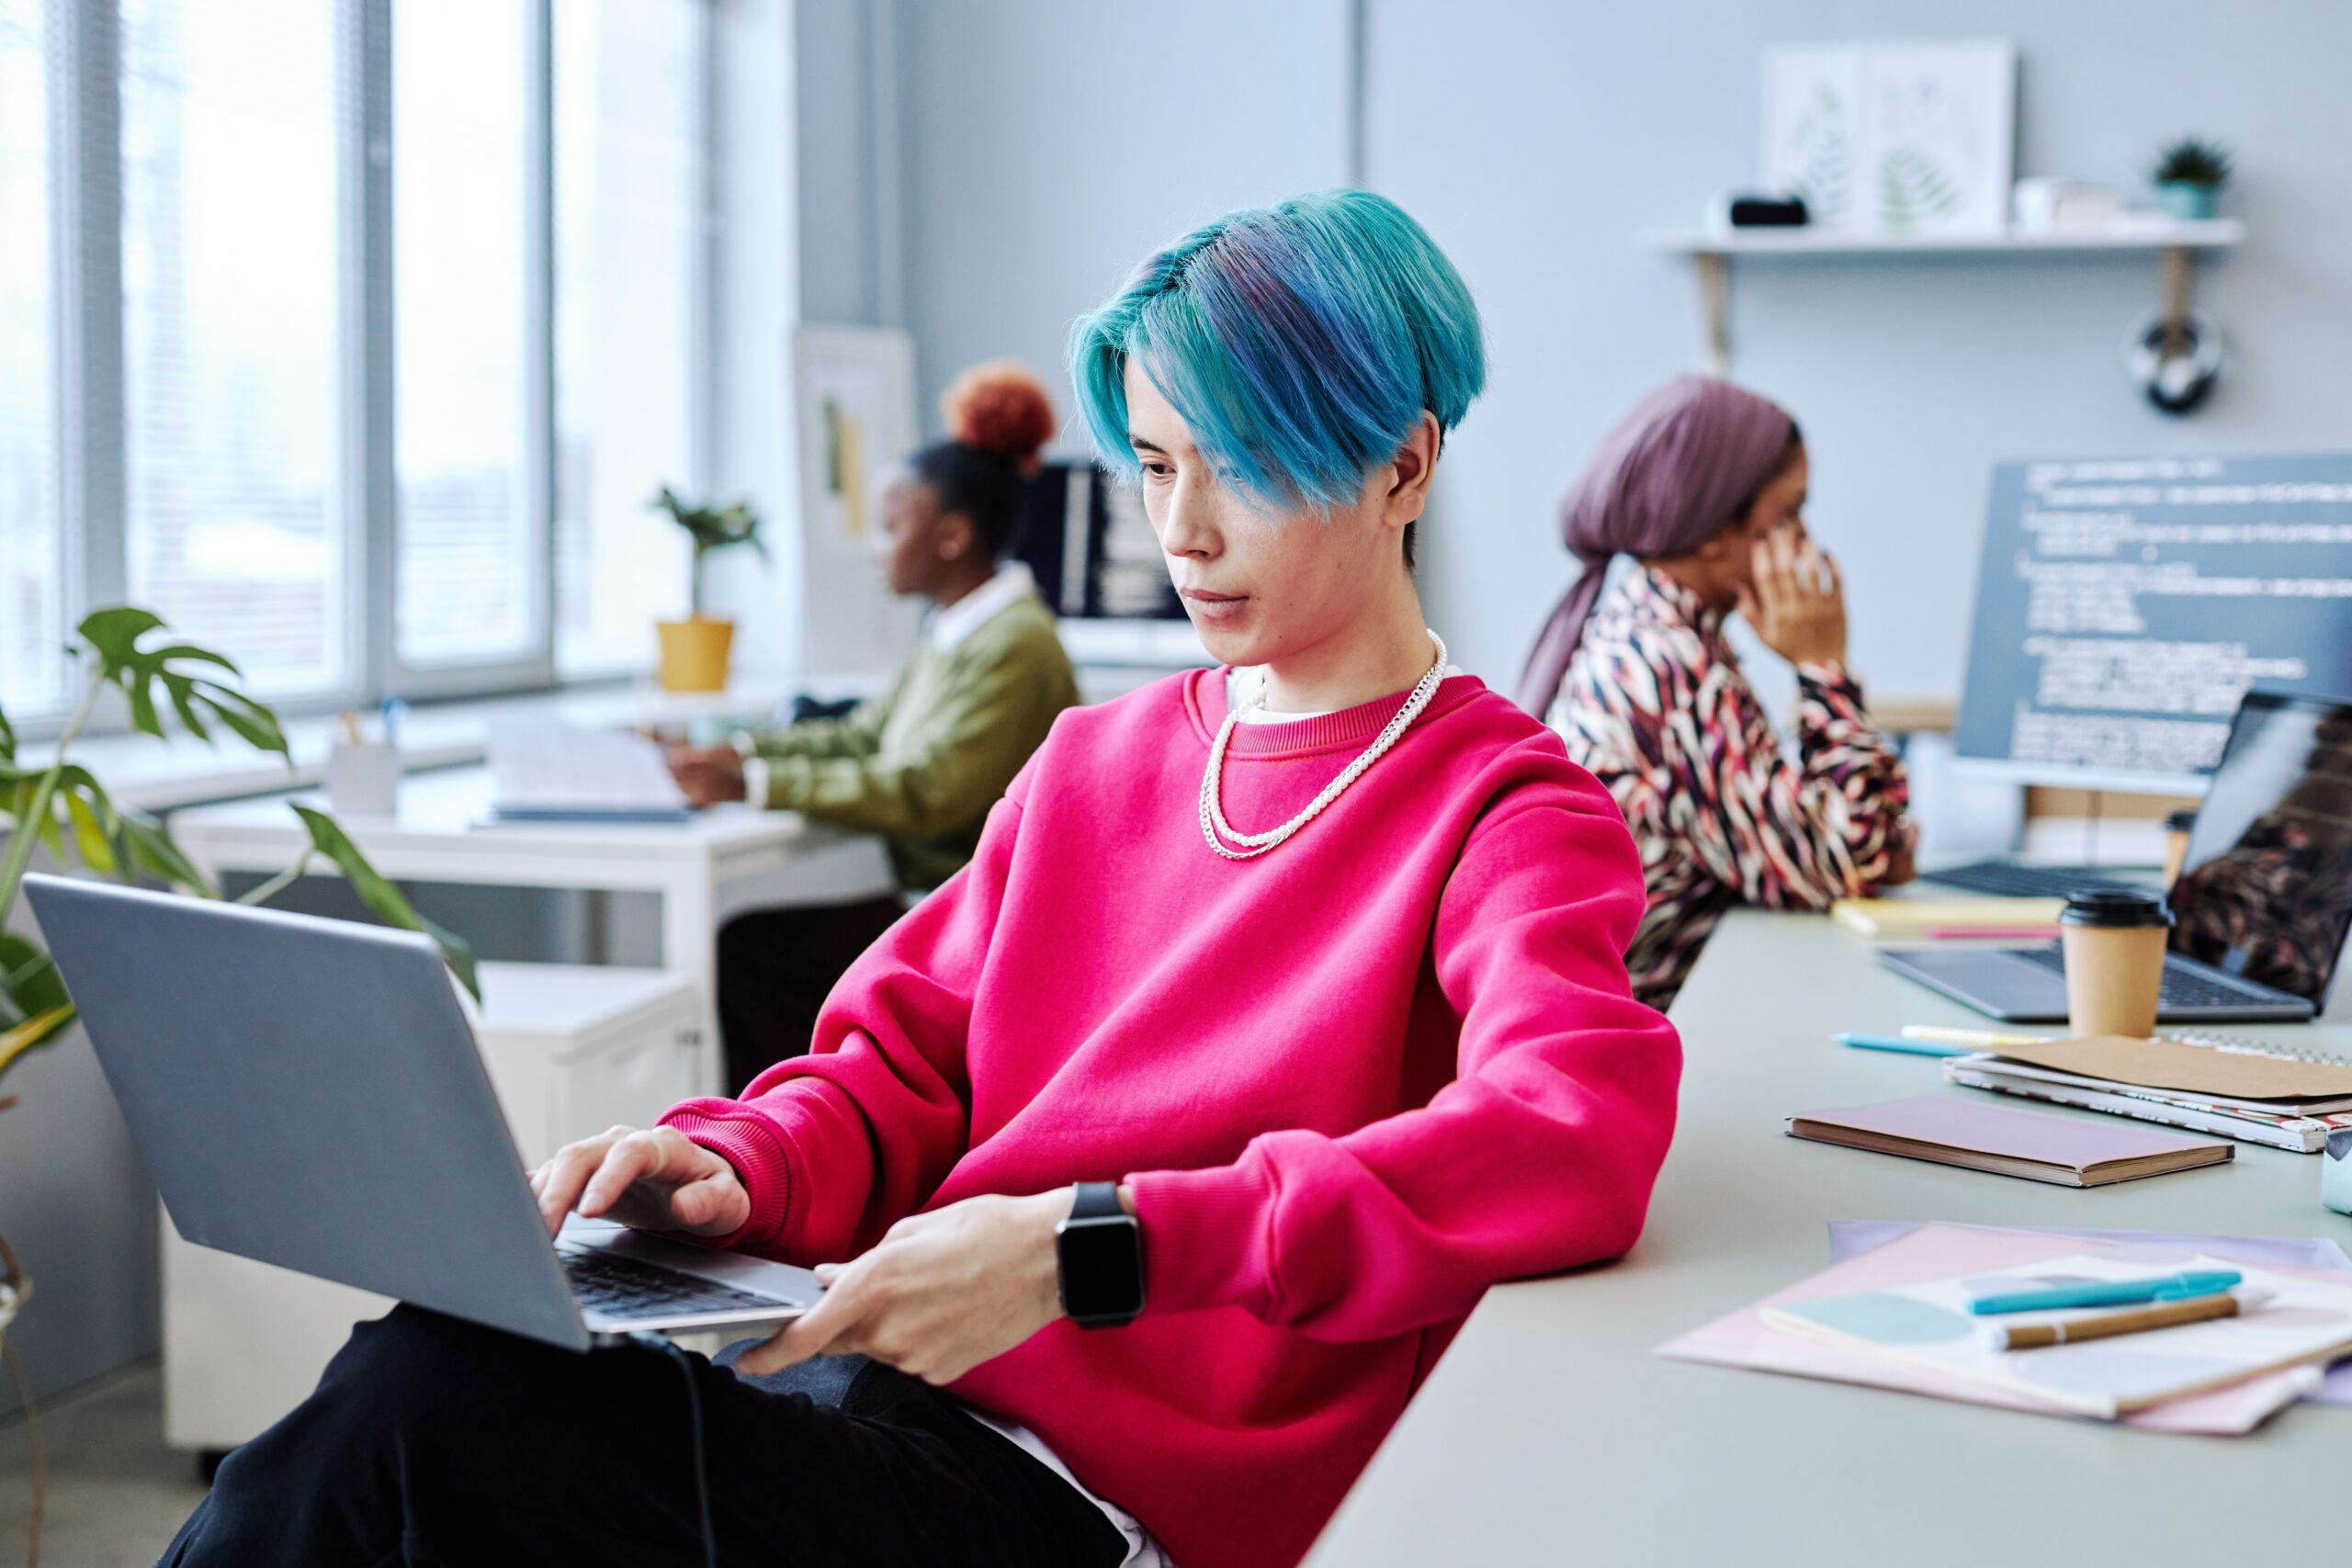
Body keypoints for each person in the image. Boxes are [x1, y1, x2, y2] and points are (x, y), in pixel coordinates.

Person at [163, 190, 1680, 1568]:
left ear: (1404, 462)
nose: (1185, 530)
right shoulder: (1091, 766)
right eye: (1157, 465)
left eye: (1249, 471)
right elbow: (888, 1068)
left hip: (1100, 1509)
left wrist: (1085, 1246)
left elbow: (1570, 1138)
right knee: (437, 1371)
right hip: (875, 1392)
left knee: (435, 1414)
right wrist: (739, 1164)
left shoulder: (1507, 808)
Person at [667, 363, 1082, 1091]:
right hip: (939, 901)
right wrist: (736, 754)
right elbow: (867, 733)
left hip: (977, 921)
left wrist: (755, 781)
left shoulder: (1014, 645)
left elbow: (928, 788)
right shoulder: (957, 630)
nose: (875, 547)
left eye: (891, 526)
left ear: (951, 535)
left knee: (752, 954)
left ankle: (788, 1151)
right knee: (755, 949)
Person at [1521, 376, 1916, 1011]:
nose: (1806, 544)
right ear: (1711, 531)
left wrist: (1869, 839)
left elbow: (1852, 838)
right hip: (1636, 1047)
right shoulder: (1661, 666)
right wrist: (1824, 665)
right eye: (1788, 515)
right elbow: (1842, 862)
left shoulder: (1666, 636)